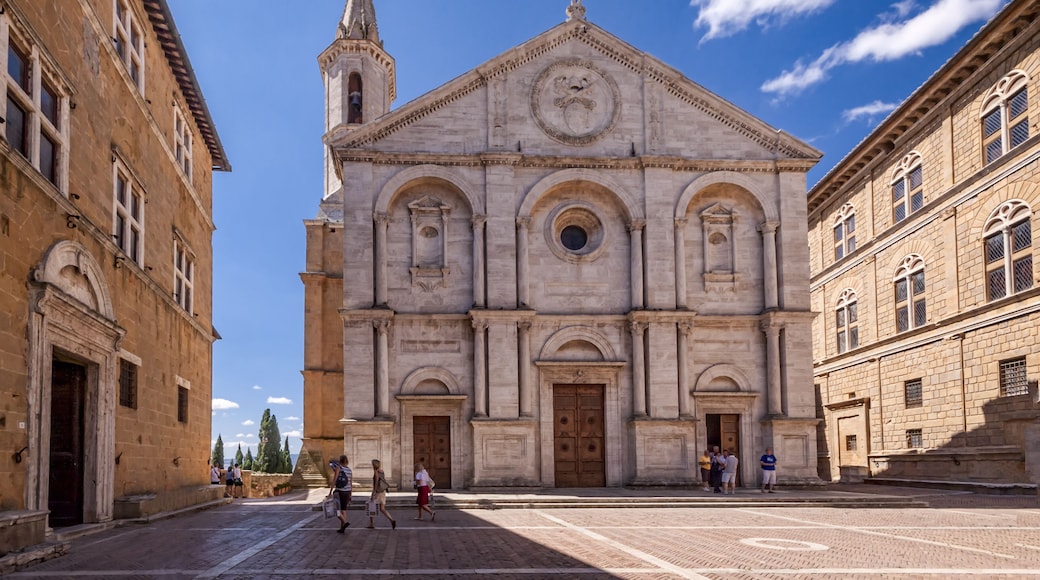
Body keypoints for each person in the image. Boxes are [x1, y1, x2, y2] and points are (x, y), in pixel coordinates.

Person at [368, 459, 397, 530]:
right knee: (382, 508)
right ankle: (391, 519)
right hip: (382, 491)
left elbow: (376, 482)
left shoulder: (376, 472)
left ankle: (371, 524)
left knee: (372, 507)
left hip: (377, 492)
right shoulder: (382, 471)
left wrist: (373, 492)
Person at [329, 455, 353, 533]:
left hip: (339, 491)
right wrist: (350, 494)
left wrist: (330, 491)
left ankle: (344, 523)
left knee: (336, 510)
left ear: (340, 461)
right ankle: (342, 528)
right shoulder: (349, 470)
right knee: (344, 510)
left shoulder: (339, 468)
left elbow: (335, 480)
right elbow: (350, 483)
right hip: (347, 492)